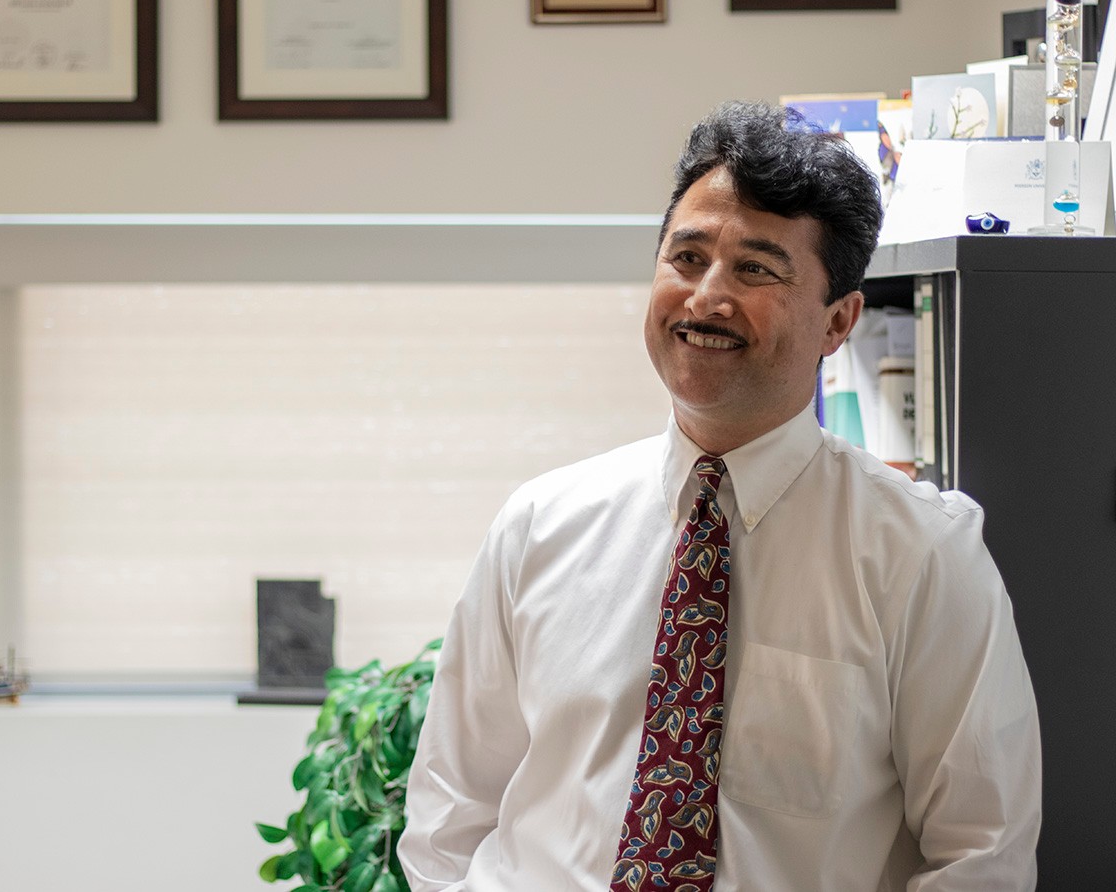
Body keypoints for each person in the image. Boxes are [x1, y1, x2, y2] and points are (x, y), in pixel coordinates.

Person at [397, 100, 1041, 891]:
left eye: (757, 270)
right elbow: (450, 812)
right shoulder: (541, 524)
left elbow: (983, 853)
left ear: (838, 321)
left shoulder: (921, 554)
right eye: (687, 257)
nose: (706, 298)